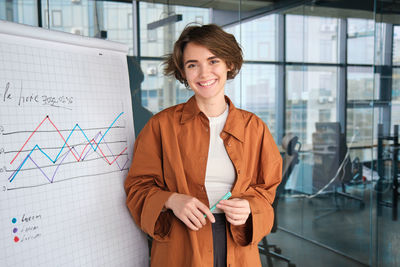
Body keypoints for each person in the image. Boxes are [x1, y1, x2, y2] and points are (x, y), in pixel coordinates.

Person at [124, 24, 282, 267]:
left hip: (238, 243)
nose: (203, 73)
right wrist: (171, 200)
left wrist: (249, 206)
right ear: (183, 72)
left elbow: (267, 189)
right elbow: (137, 188)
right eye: (192, 65)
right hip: (181, 243)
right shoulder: (161, 126)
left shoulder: (254, 128)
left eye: (213, 60)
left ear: (229, 64)